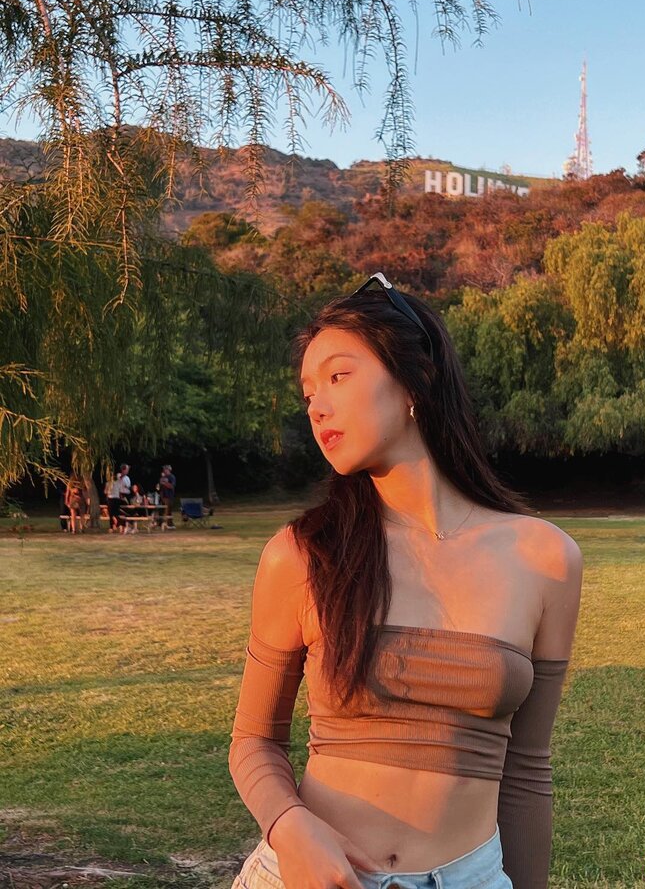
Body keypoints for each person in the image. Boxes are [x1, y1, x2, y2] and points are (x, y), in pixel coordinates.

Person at [228, 272, 583, 889]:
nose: (316, 405)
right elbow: (254, 739)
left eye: (339, 376)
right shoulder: (303, 555)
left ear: (416, 380)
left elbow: (527, 771)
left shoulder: (545, 558)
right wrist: (290, 826)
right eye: (308, 392)